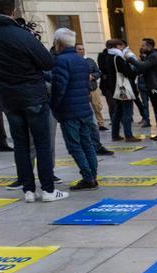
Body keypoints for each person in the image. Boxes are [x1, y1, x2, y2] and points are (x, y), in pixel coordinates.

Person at [0, 0, 68, 202]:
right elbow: (47, 62)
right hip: (32, 94)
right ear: (13, 10)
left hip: (6, 97)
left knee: (21, 144)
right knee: (42, 143)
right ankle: (48, 189)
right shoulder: (22, 35)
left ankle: (28, 190)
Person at [50, 28, 98, 190]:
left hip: (69, 111)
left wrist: (54, 106)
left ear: (58, 43)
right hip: (84, 108)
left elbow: (59, 87)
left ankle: (87, 177)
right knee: (87, 143)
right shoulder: (81, 60)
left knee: (74, 146)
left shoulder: (61, 61)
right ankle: (93, 175)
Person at [127, 38, 157, 140]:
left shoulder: (154, 56)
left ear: (149, 46)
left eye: (143, 46)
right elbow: (141, 69)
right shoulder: (150, 56)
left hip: (156, 86)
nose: (141, 47)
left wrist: (130, 59)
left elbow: (142, 66)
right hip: (153, 85)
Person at [101, 39, 140, 143]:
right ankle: (129, 135)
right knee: (127, 110)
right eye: (121, 45)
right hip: (123, 87)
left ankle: (115, 135)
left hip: (115, 87)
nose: (123, 47)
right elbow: (127, 72)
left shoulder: (108, 56)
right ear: (116, 46)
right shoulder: (117, 57)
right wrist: (134, 71)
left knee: (118, 111)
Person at [77, 42, 107, 131]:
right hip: (82, 89)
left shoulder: (90, 60)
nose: (81, 51)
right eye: (79, 49)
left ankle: (101, 124)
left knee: (97, 106)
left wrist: (93, 76)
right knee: (84, 109)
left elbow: (98, 72)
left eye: (83, 49)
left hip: (93, 87)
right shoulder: (74, 62)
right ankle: (87, 125)